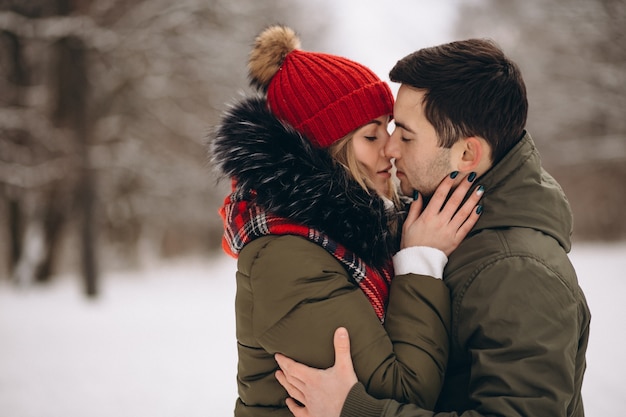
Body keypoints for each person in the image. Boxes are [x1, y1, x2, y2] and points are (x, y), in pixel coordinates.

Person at [275, 38, 591, 417]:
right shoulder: (430, 223)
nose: (390, 149)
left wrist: (356, 411)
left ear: (467, 154)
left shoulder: (519, 270)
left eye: (406, 135)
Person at [210, 26, 483, 417]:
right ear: (328, 150)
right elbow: (402, 392)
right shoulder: (287, 256)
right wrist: (420, 261)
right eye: (372, 136)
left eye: (389, 130)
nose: (390, 149)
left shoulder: (346, 234)